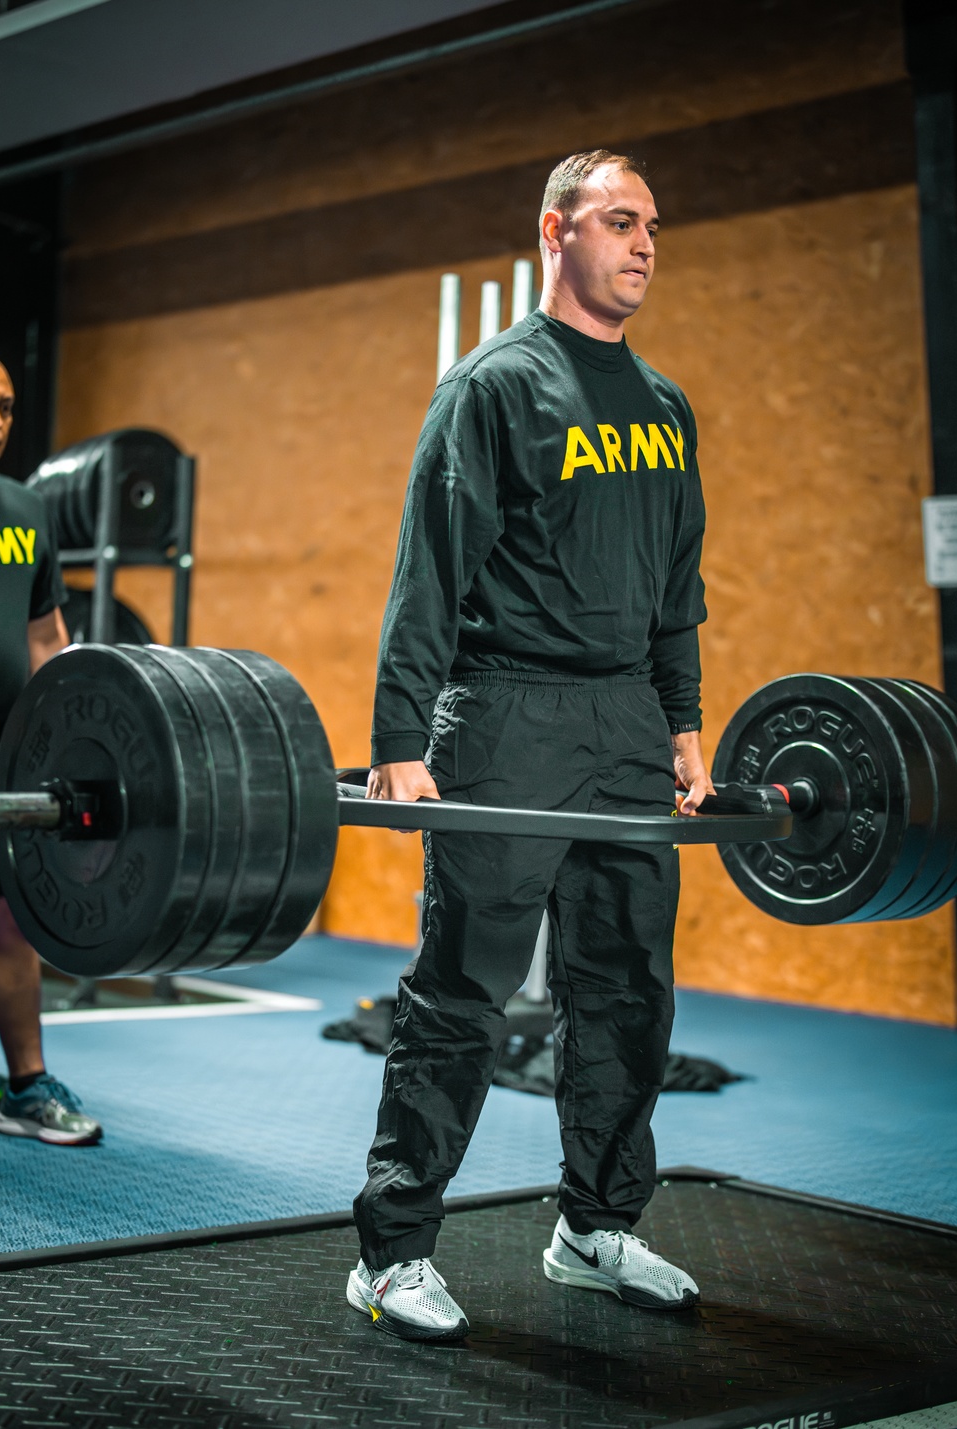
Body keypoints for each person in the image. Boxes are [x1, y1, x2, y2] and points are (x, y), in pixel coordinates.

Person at [347, 150, 712, 1341]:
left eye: (652, 224)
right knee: (462, 992)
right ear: (555, 232)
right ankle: (393, 1251)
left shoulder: (663, 408)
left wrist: (684, 722)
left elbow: (676, 592)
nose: (644, 242)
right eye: (619, 221)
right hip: (503, 711)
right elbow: (428, 572)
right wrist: (401, 738)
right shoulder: (494, 386)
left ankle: (594, 1224)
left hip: (620, 724)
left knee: (626, 991)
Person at [0, 350, 103, 1146]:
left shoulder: (24, 511)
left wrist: (63, 742)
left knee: (4, 917)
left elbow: (43, 635)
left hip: (0, 752)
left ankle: (25, 1082)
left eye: (5, 406)